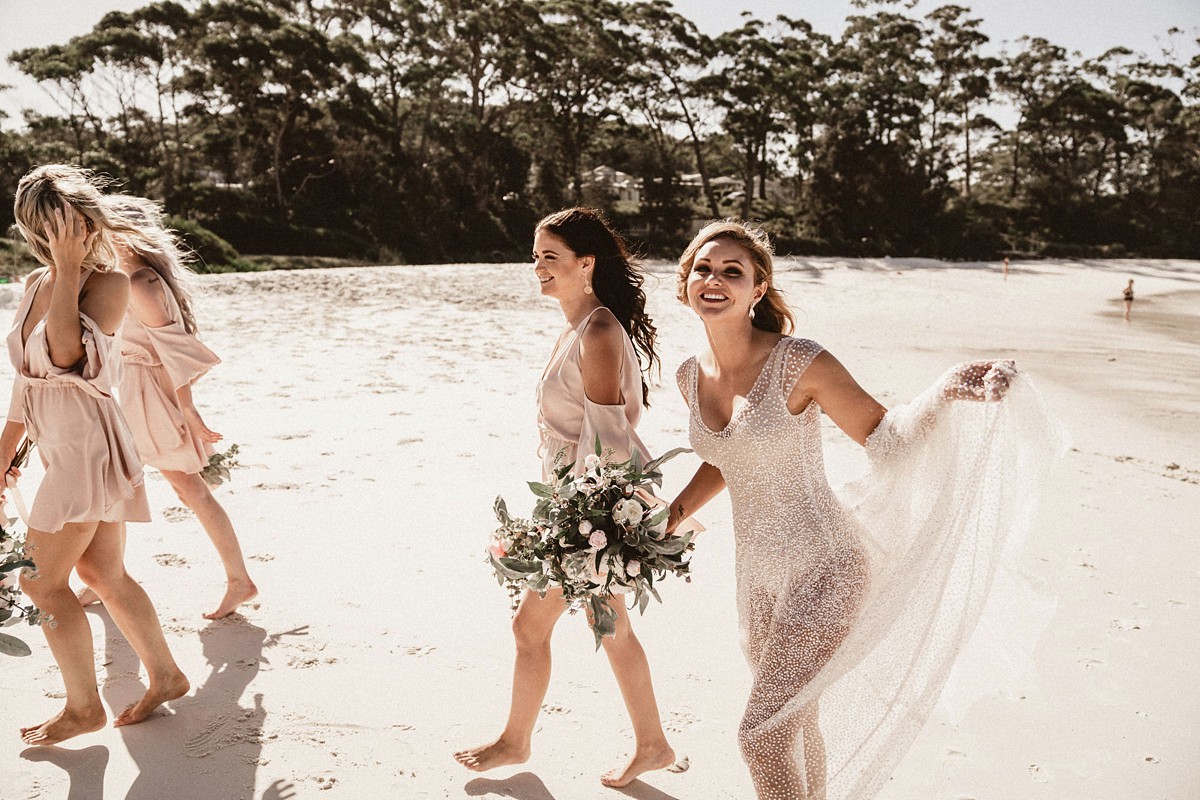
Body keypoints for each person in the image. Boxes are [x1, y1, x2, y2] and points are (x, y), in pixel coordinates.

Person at [666, 220, 1053, 799]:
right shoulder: (690, 376)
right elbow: (731, 457)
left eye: (732, 271)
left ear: (757, 289)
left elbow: (886, 440)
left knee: (761, 734)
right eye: (703, 268)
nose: (714, 280)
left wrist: (944, 389)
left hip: (827, 569)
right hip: (759, 580)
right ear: (685, 282)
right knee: (796, 719)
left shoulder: (799, 361)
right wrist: (669, 514)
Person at [454, 208, 679, 788]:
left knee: (537, 628)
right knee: (609, 625)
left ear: (587, 264)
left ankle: (517, 741)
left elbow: (606, 441)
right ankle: (650, 743)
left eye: (550, 258)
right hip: (572, 502)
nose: (538, 268)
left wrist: (577, 531)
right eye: (536, 257)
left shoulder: (600, 332)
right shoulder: (579, 327)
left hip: (588, 512)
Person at [2, 165, 188, 745]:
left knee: (38, 581)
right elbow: (27, 384)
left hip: (86, 444)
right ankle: (166, 675)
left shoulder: (108, 283)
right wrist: (3, 455)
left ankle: (84, 706)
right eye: (52, 225)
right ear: (36, 227)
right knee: (103, 572)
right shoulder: (33, 283)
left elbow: (62, 356)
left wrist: (65, 270)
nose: (65, 234)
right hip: (59, 440)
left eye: (72, 222)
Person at [74, 195, 256, 619]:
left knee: (189, 489)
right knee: (122, 486)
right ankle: (105, 577)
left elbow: (176, 352)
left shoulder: (139, 282)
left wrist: (188, 411)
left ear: (121, 232)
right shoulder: (129, 277)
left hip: (154, 395)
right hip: (132, 389)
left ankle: (238, 580)